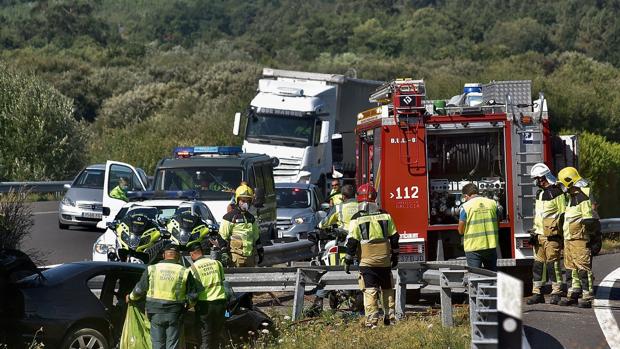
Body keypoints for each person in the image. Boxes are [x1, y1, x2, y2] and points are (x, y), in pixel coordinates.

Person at [344, 184, 399, 328]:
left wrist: (348, 260)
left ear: (359, 200)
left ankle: (372, 321)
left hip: (367, 261)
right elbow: (394, 237)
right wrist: (395, 256)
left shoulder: (357, 218)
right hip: (384, 260)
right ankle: (390, 318)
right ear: (375, 198)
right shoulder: (385, 215)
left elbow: (352, 241)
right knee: (387, 289)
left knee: (370, 291)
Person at [128, 243, 195, 349]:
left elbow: (139, 290)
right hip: (174, 313)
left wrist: (131, 297)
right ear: (178, 256)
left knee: (157, 344)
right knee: (172, 345)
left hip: (155, 313)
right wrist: (187, 307)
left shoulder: (152, 269)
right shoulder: (184, 271)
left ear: (164, 255)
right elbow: (193, 297)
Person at [526, 163, 566, 305]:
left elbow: (562, 214)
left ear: (545, 178)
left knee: (552, 265)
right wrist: (534, 232)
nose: (537, 182)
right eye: (536, 179)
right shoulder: (540, 194)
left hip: (552, 236)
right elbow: (539, 215)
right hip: (539, 235)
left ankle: (557, 292)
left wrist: (561, 235)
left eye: (539, 179)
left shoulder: (557, 193)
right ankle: (537, 293)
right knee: (538, 265)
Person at [557, 167, 597, 308]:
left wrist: (593, 239)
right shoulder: (570, 199)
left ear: (569, 182)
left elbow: (590, 221)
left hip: (580, 240)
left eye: (562, 184)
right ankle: (573, 293)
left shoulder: (582, 199)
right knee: (570, 268)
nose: (561, 187)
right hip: (569, 240)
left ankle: (587, 296)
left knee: (582, 268)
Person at [188, 243, 227, 349]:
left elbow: (192, 292)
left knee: (205, 337)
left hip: (204, 306)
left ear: (192, 255)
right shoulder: (217, 263)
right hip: (220, 304)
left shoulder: (192, 269)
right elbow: (223, 281)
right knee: (217, 335)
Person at [457, 183, 500, 271]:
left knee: (475, 276)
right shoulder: (492, 203)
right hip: (490, 246)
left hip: (473, 248)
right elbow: (498, 223)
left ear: (466, 196)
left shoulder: (466, 207)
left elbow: (461, 230)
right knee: (492, 275)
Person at [219, 184, 263, 267]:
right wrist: (224, 252)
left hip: (250, 256)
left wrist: (260, 250)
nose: (245, 203)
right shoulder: (229, 217)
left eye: (248, 201)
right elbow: (222, 236)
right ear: (237, 200)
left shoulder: (251, 218)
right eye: (243, 200)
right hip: (236, 256)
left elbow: (256, 237)